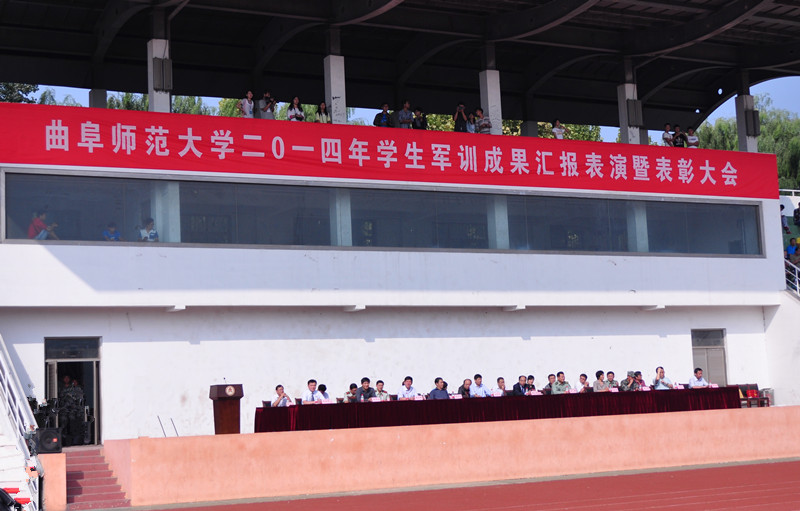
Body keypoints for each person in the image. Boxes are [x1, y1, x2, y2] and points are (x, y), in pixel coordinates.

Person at [58, 375, 85, 447]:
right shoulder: (60, 388)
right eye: (65, 378)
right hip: (63, 411)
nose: (66, 379)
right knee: (63, 425)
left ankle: (73, 441)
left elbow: (78, 399)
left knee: (73, 426)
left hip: (73, 412)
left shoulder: (74, 389)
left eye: (68, 378)